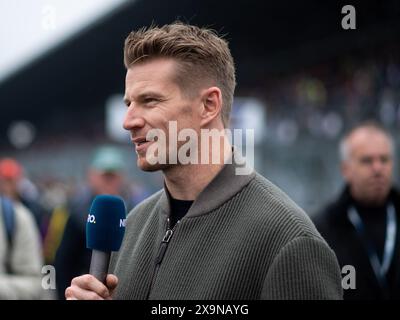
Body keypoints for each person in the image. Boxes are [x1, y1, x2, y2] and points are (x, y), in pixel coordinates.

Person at [66, 22, 343, 300]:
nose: (128, 122)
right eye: (129, 104)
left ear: (209, 105)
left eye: (149, 100)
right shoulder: (133, 225)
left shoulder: (287, 240)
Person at [313, 122, 400, 299]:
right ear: (346, 169)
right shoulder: (322, 229)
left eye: (384, 159)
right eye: (366, 161)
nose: (377, 168)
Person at [54, 146, 135, 299]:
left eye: (113, 175)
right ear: (91, 175)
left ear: (122, 176)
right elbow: (63, 264)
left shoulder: (136, 209)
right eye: (105, 176)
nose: (109, 180)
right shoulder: (76, 213)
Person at [0, 161, 44, 299]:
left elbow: (35, 281)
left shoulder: (22, 213)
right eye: (5, 180)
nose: (8, 185)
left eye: (11, 180)